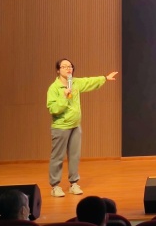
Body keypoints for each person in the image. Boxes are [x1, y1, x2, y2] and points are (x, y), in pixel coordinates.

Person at [46, 58, 119, 197]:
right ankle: (55, 186)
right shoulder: (54, 88)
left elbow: (89, 81)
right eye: (64, 66)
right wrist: (64, 97)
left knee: (74, 156)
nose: (68, 69)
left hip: (75, 126)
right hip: (61, 127)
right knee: (58, 157)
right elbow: (54, 109)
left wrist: (104, 78)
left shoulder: (75, 83)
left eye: (70, 66)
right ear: (58, 70)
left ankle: (73, 183)